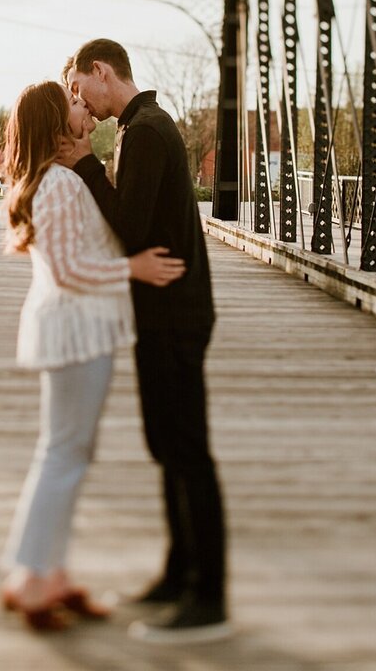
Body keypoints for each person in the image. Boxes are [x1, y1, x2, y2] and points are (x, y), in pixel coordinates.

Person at [0, 80, 187, 632]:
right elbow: (67, 270)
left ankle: (46, 573)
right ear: (59, 122)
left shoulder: (65, 177)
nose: (86, 107)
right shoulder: (56, 184)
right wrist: (133, 269)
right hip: (73, 332)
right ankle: (31, 578)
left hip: (86, 332)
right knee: (62, 454)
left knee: (69, 454)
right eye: (75, 103)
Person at [59, 39, 231, 644]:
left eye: (80, 88)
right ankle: (177, 574)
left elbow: (130, 230)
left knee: (185, 448)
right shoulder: (143, 127)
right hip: (163, 311)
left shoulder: (148, 131)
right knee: (166, 444)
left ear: (101, 72)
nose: (81, 101)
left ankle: (207, 598)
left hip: (176, 313)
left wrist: (83, 162)